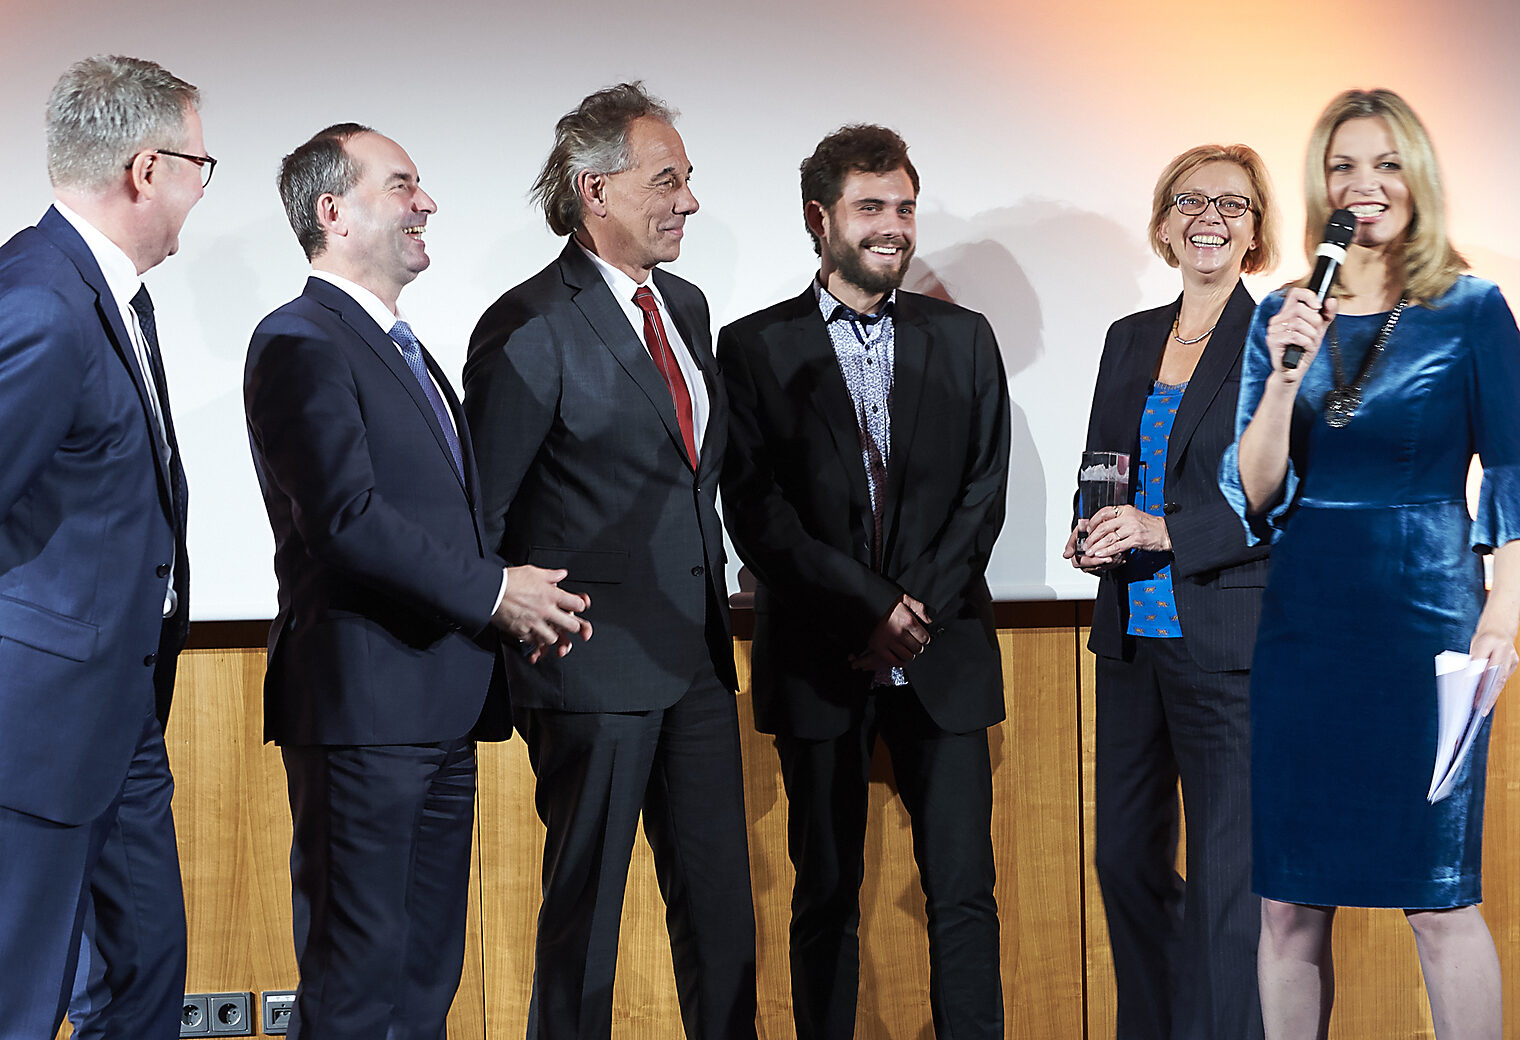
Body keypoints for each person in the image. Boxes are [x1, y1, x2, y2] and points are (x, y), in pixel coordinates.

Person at [244, 123, 589, 1040]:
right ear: (334, 212)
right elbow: (346, 519)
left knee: (425, 983)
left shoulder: (406, 349)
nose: (426, 202)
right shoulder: (299, 339)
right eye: (401, 185)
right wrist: (494, 592)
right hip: (363, 710)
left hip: (437, 707)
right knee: (358, 986)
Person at [1225, 89, 1520, 1040]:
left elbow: (1515, 469)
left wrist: (1503, 616)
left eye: (1387, 163)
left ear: (1418, 176)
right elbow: (1256, 490)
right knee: (1288, 904)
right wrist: (1280, 375)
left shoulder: (1471, 308)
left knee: (1437, 897)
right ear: (1324, 186)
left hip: (1427, 623)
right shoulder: (1283, 310)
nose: (1367, 185)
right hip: (1305, 624)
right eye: (1346, 166)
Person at [462, 83, 755, 1040]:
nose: (689, 200)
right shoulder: (529, 324)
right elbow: (486, 514)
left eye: (689, 179)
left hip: (698, 663)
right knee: (586, 923)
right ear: (595, 189)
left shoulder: (689, 307)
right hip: (588, 670)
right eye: (666, 179)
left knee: (722, 921)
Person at [719, 124, 1010, 1040]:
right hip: (818, 657)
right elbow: (757, 511)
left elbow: (983, 490)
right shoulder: (752, 347)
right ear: (822, 218)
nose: (894, 226)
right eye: (872, 207)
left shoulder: (964, 339)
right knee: (826, 895)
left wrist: (910, 611)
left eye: (905, 207)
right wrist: (867, 608)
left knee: (964, 895)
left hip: (945, 654)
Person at [0, 54, 203, 1040]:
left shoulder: (111, 295)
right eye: (201, 163)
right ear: (147, 168)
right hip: (34, 733)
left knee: (146, 972)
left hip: (121, 712)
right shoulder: (40, 300)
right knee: (21, 995)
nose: (204, 188)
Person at [1065, 144, 1278, 1040]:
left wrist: (1166, 532)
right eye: (1191, 200)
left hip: (1229, 642)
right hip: (1133, 641)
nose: (1210, 217)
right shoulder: (1128, 337)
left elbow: (1284, 493)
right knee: (1125, 862)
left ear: (1256, 231)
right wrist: (1089, 527)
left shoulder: (1279, 340)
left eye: (1233, 204)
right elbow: (1104, 467)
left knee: (1230, 887)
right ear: (1162, 223)